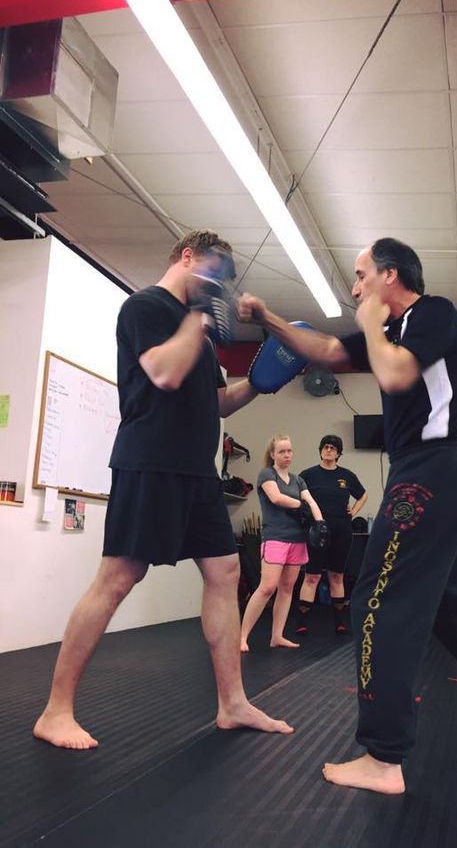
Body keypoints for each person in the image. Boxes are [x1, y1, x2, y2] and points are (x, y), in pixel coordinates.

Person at [237, 237, 457, 794]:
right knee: (451, 614)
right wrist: (269, 319)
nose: (355, 286)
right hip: (432, 476)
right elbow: (324, 350)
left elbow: (394, 376)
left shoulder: (432, 315)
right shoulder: (388, 332)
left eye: (362, 275)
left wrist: (366, 321)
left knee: (376, 601)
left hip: (429, 475)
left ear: (391, 275)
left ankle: (384, 759)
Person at [33, 229, 293, 750]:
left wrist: (262, 384)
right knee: (118, 577)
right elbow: (164, 373)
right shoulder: (145, 308)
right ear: (187, 256)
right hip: (150, 462)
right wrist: (198, 320)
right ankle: (55, 710)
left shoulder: (197, 331)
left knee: (224, 570)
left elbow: (217, 402)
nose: (216, 285)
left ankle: (232, 703)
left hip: (197, 471)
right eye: (212, 272)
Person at [240, 434, 323, 651]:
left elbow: (311, 501)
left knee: (287, 588)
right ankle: (240, 637)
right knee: (267, 587)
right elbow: (276, 498)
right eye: (281, 451)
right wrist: (300, 505)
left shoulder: (298, 480)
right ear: (272, 454)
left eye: (289, 451)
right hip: (276, 537)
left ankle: (277, 636)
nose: (286, 455)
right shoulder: (267, 474)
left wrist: (321, 523)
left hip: (298, 539)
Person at [296, 434, 367, 635]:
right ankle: (302, 622)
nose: (328, 450)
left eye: (333, 448)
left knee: (337, 576)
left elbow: (363, 495)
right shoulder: (308, 475)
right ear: (320, 450)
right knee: (312, 576)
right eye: (325, 447)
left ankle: (339, 622)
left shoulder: (347, 476)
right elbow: (298, 498)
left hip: (342, 531)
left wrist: (354, 510)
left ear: (338, 453)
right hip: (316, 532)